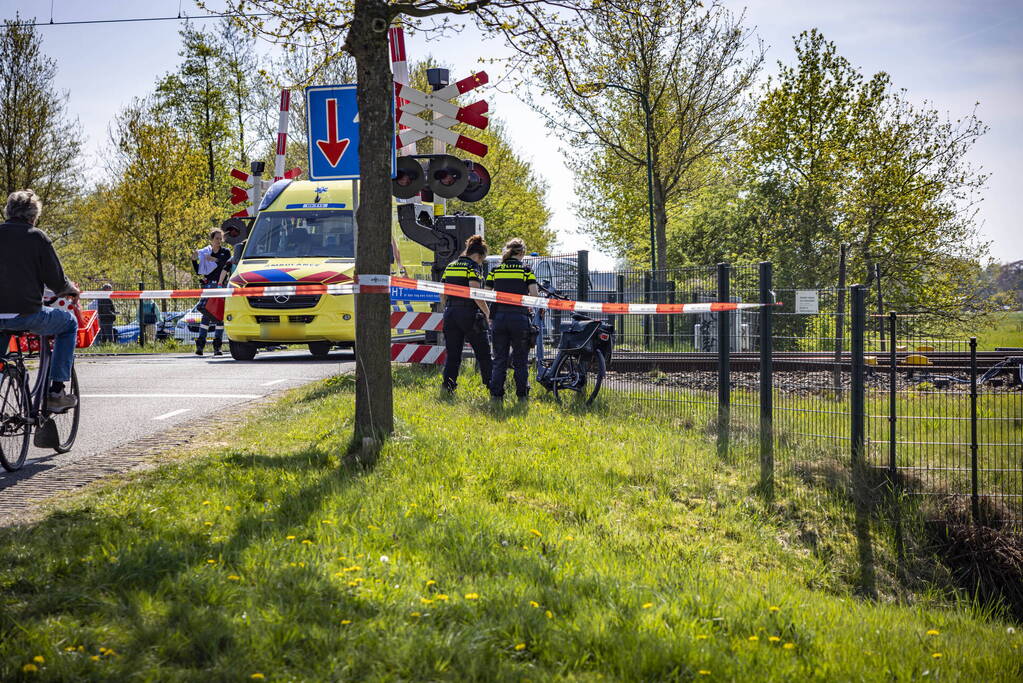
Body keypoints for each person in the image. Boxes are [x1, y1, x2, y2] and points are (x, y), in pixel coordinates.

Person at [0, 190, 80, 411]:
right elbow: (56, 281)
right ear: (33, 215)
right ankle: (55, 392)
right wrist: (71, 290)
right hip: (27, 315)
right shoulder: (36, 237)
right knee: (68, 324)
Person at [485, 238, 538, 401]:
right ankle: (522, 395)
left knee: (499, 359)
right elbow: (534, 295)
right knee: (520, 360)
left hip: (499, 318)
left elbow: (486, 293)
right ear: (522, 253)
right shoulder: (526, 271)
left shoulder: (495, 270)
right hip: (519, 318)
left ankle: (496, 396)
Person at [439, 235, 492, 393]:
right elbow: (475, 293)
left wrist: (446, 308)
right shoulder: (473, 267)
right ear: (478, 255)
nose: (481, 263)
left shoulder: (451, 265)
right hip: (469, 314)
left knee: (453, 354)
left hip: (451, 313)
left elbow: (442, 292)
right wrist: (488, 313)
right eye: (482, 260)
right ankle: (492, 387)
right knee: (483, 353)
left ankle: (448, 387)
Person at [192, 229, 232, 356]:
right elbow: (199, 270)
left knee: (219, 316)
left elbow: (226, 266)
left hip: (221, 286)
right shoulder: (205, 252)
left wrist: (214, 260)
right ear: (211, 239)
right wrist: (194, 260)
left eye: (221, 239)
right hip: (208, 286)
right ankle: (200, 345)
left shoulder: (225, 252)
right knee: (206, 314)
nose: (219, 241)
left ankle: (217, 347)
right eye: (216, 239)